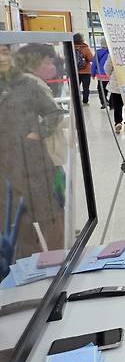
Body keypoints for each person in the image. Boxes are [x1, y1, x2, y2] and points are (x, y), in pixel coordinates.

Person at [0, 44, 64, 259]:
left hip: (35, 161)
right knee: (16, 220)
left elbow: (53, 113)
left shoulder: (27, 84)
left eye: (5, 51)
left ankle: (55, 262)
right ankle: (25, 266)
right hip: (6, 166)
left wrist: (35, 134)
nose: (2, 57)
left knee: (49, 214)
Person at [104, 57, 124, 134]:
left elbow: (107, 67)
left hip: (117, 81)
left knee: (117, 105)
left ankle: (118, 122)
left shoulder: (113, 50)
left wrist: (112, 75)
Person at [73, 33, 93, 105]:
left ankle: (76, 101)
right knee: (86, 88)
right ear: (81, 40)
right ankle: (85, 101)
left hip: (75, 72)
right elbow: (91, 59)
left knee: (75, 88)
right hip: (86, 72)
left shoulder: (71, 48)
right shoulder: (85, 48)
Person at [90, 38, 110, 108]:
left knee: (101, 89)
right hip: (110, 74)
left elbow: (94, 64)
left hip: (101, 75)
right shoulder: (111, 52)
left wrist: (92, 74)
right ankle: (111, 103)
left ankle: (104, 102)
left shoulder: (98, 52)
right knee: (110, 89)